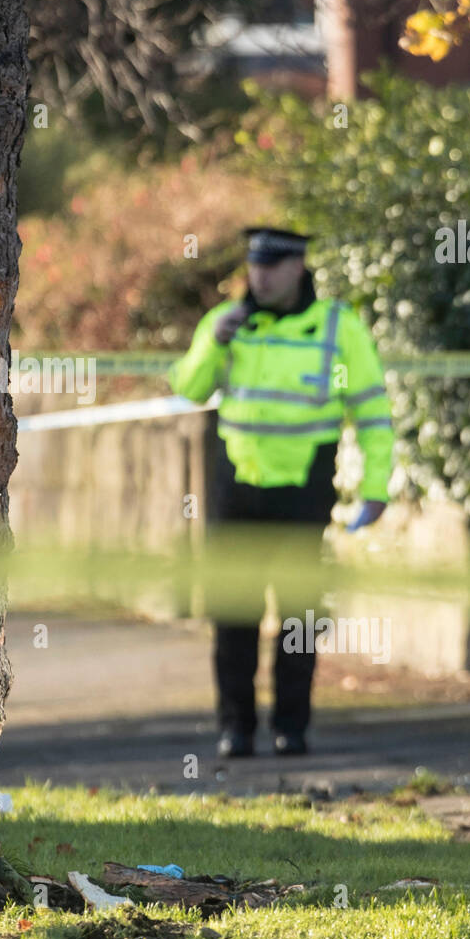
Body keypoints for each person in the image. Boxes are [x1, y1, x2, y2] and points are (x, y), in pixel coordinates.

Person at [168, 227, 394, 757]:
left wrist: (376, 486)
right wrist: (211, 342)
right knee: (233, 616)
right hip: (235, 488)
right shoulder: (228, 323)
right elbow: (189, 387)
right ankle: (236, 729)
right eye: (254, 266)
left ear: (298, 268)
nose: (260, 277)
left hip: (302, 490)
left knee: (299, 616)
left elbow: (372, 413)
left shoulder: (338, 327)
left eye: (272, 266)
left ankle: (291, 729)